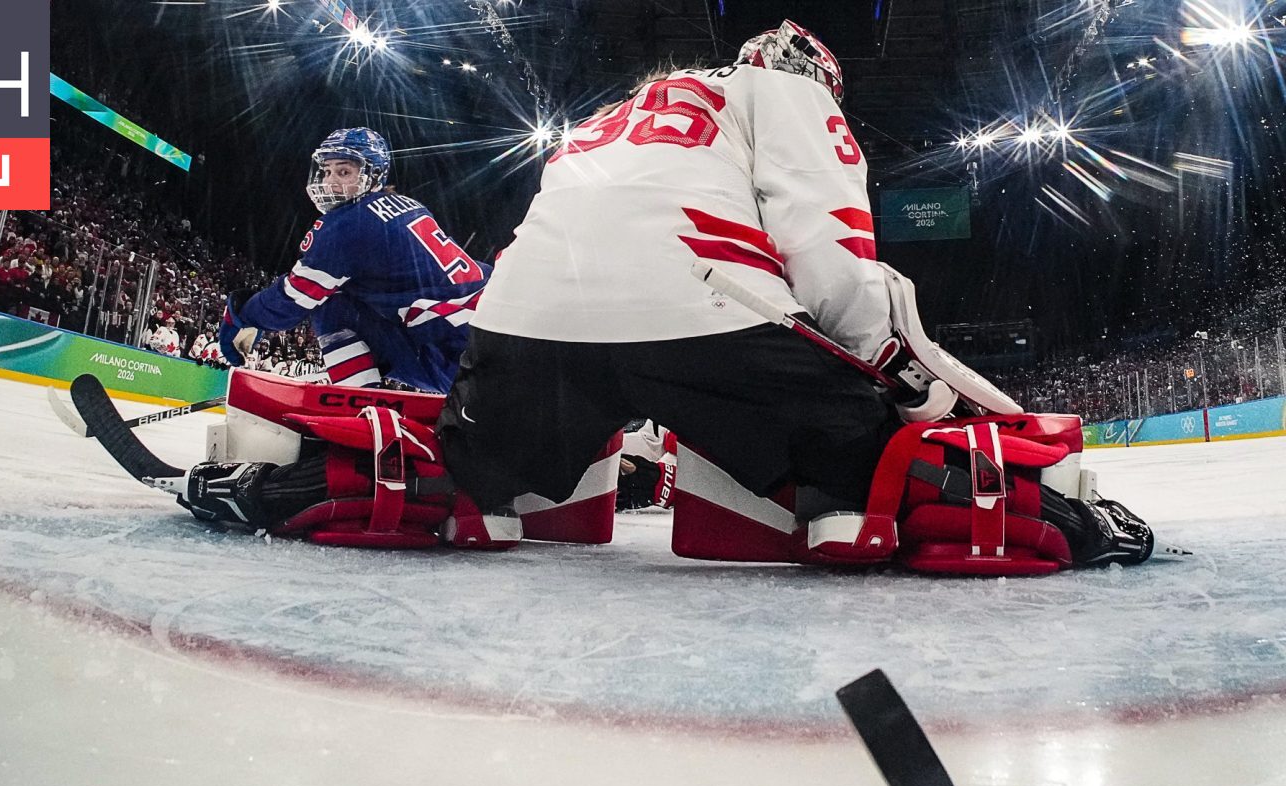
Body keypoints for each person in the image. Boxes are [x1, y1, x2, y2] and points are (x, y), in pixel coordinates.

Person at [167, 22, 1155, 570]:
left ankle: (336, 486)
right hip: (704, 316)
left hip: (528, 327)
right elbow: (829, 249)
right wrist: (877, 368)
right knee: (864, 459)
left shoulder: (611, 116)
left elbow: (558, 230)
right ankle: (877, 512)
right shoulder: (788, 93)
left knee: (476, 477)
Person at [217, 127, 491, 393]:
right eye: (326, 171)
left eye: (344, 171)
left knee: (329, 302)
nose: (330, 181)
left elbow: (293, 300)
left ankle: (359, 402)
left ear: (373, 175)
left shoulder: (346, 224)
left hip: (456, 359)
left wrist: (241, 312)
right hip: (490, 332)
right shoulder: (411, 204)